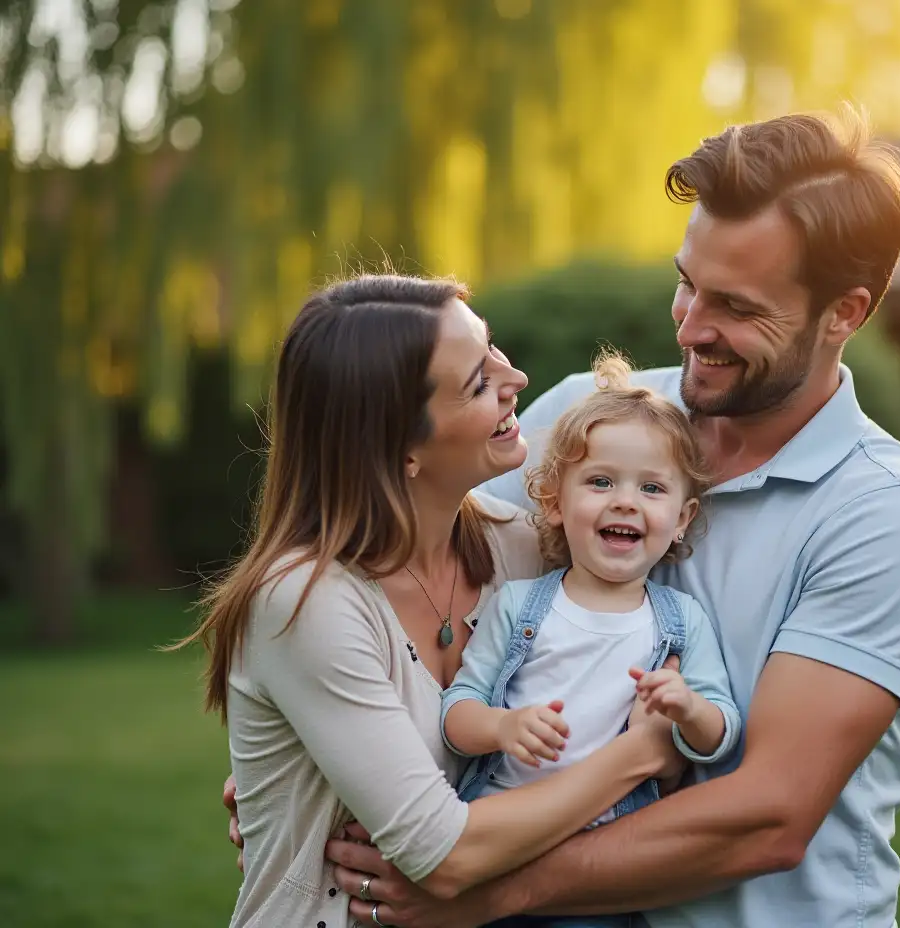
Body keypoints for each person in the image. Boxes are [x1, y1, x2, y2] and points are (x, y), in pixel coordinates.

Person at [317, 109, 900, 927]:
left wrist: (485, 890)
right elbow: (425, 589)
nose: (690, 326)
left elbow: (767, 815)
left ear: (845, 314)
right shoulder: (591, 418)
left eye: (736, 305)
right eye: (687, 281)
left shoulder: (880, 517)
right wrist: (330, 763)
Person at [186, 275, 684, 928]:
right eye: (479, 381)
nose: (517, 378)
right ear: (401, 449)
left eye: (495, 349)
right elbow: (439, 852)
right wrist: (641, 754)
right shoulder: (304, 602)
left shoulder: (523, 551)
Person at [441, 354, 742, 928]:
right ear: (554, 502)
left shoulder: (680, 622)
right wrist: (502, 726)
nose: (625, 501)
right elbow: (457, 711)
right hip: (497, 843)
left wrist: (689, 709)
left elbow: (722, 733)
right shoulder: (520, 605)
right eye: (600, 481)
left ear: (682, 517)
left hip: (603, 870)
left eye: (652, 488)